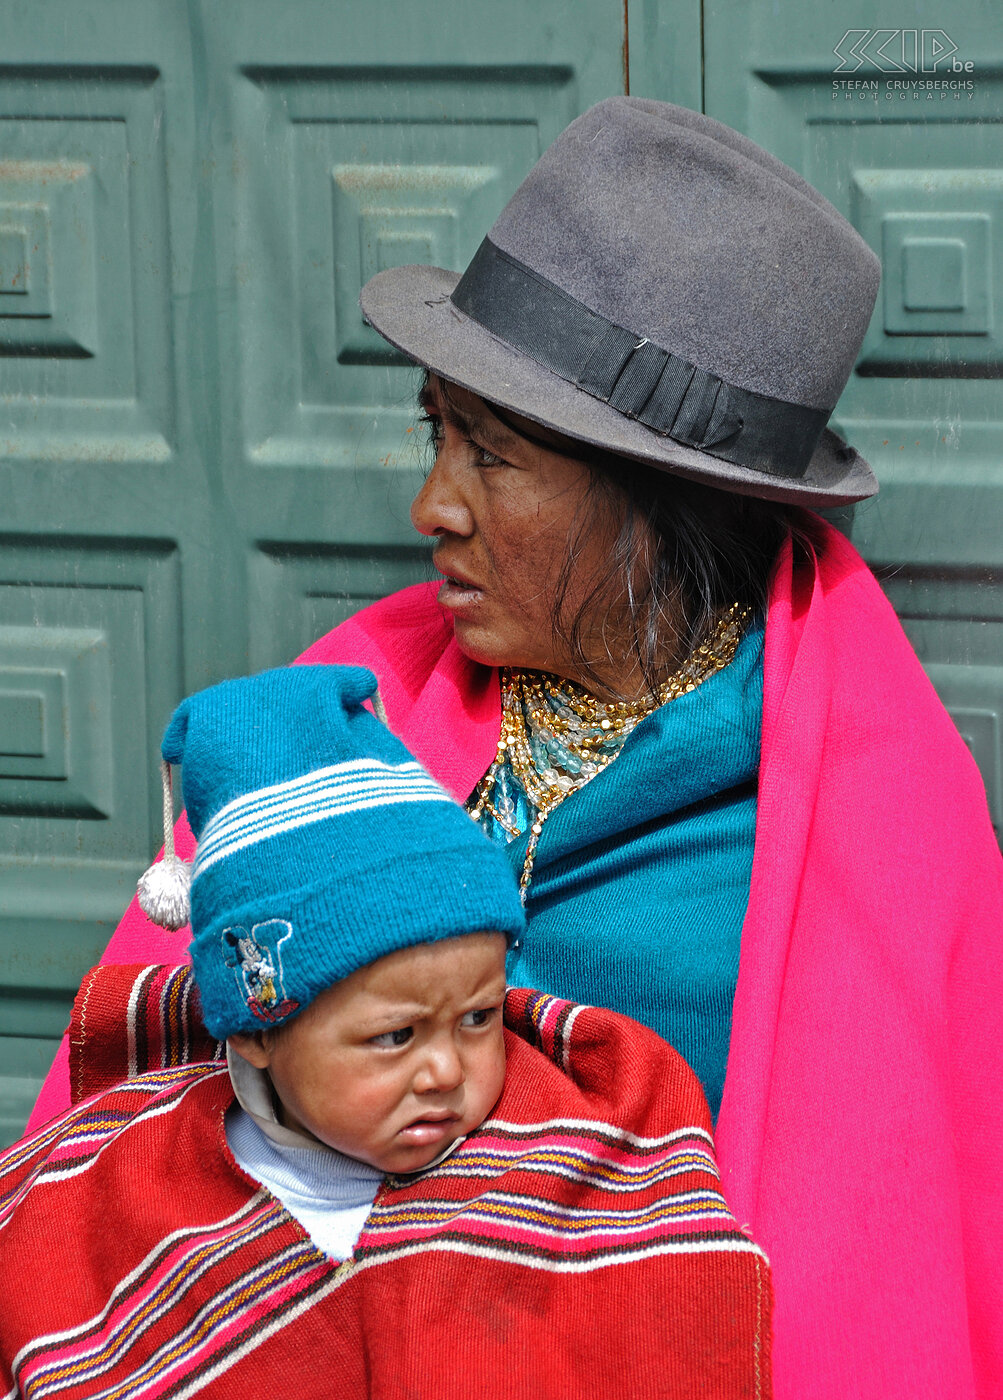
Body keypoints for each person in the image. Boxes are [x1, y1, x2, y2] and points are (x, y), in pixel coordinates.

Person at [25, 97, 1003, 1399]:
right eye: (437, 436)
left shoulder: (870, 835)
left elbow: (877, 1274)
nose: (432, 508)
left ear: (662, 504)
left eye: (489, 457)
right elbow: (137, 1110)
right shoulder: (342, 708)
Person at [1, 665, 772, 1400]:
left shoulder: (553, 1169)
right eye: (395, 1037)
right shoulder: (121, 1192)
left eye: (476, 1019)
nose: (445, 1071)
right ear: (257, 1030)